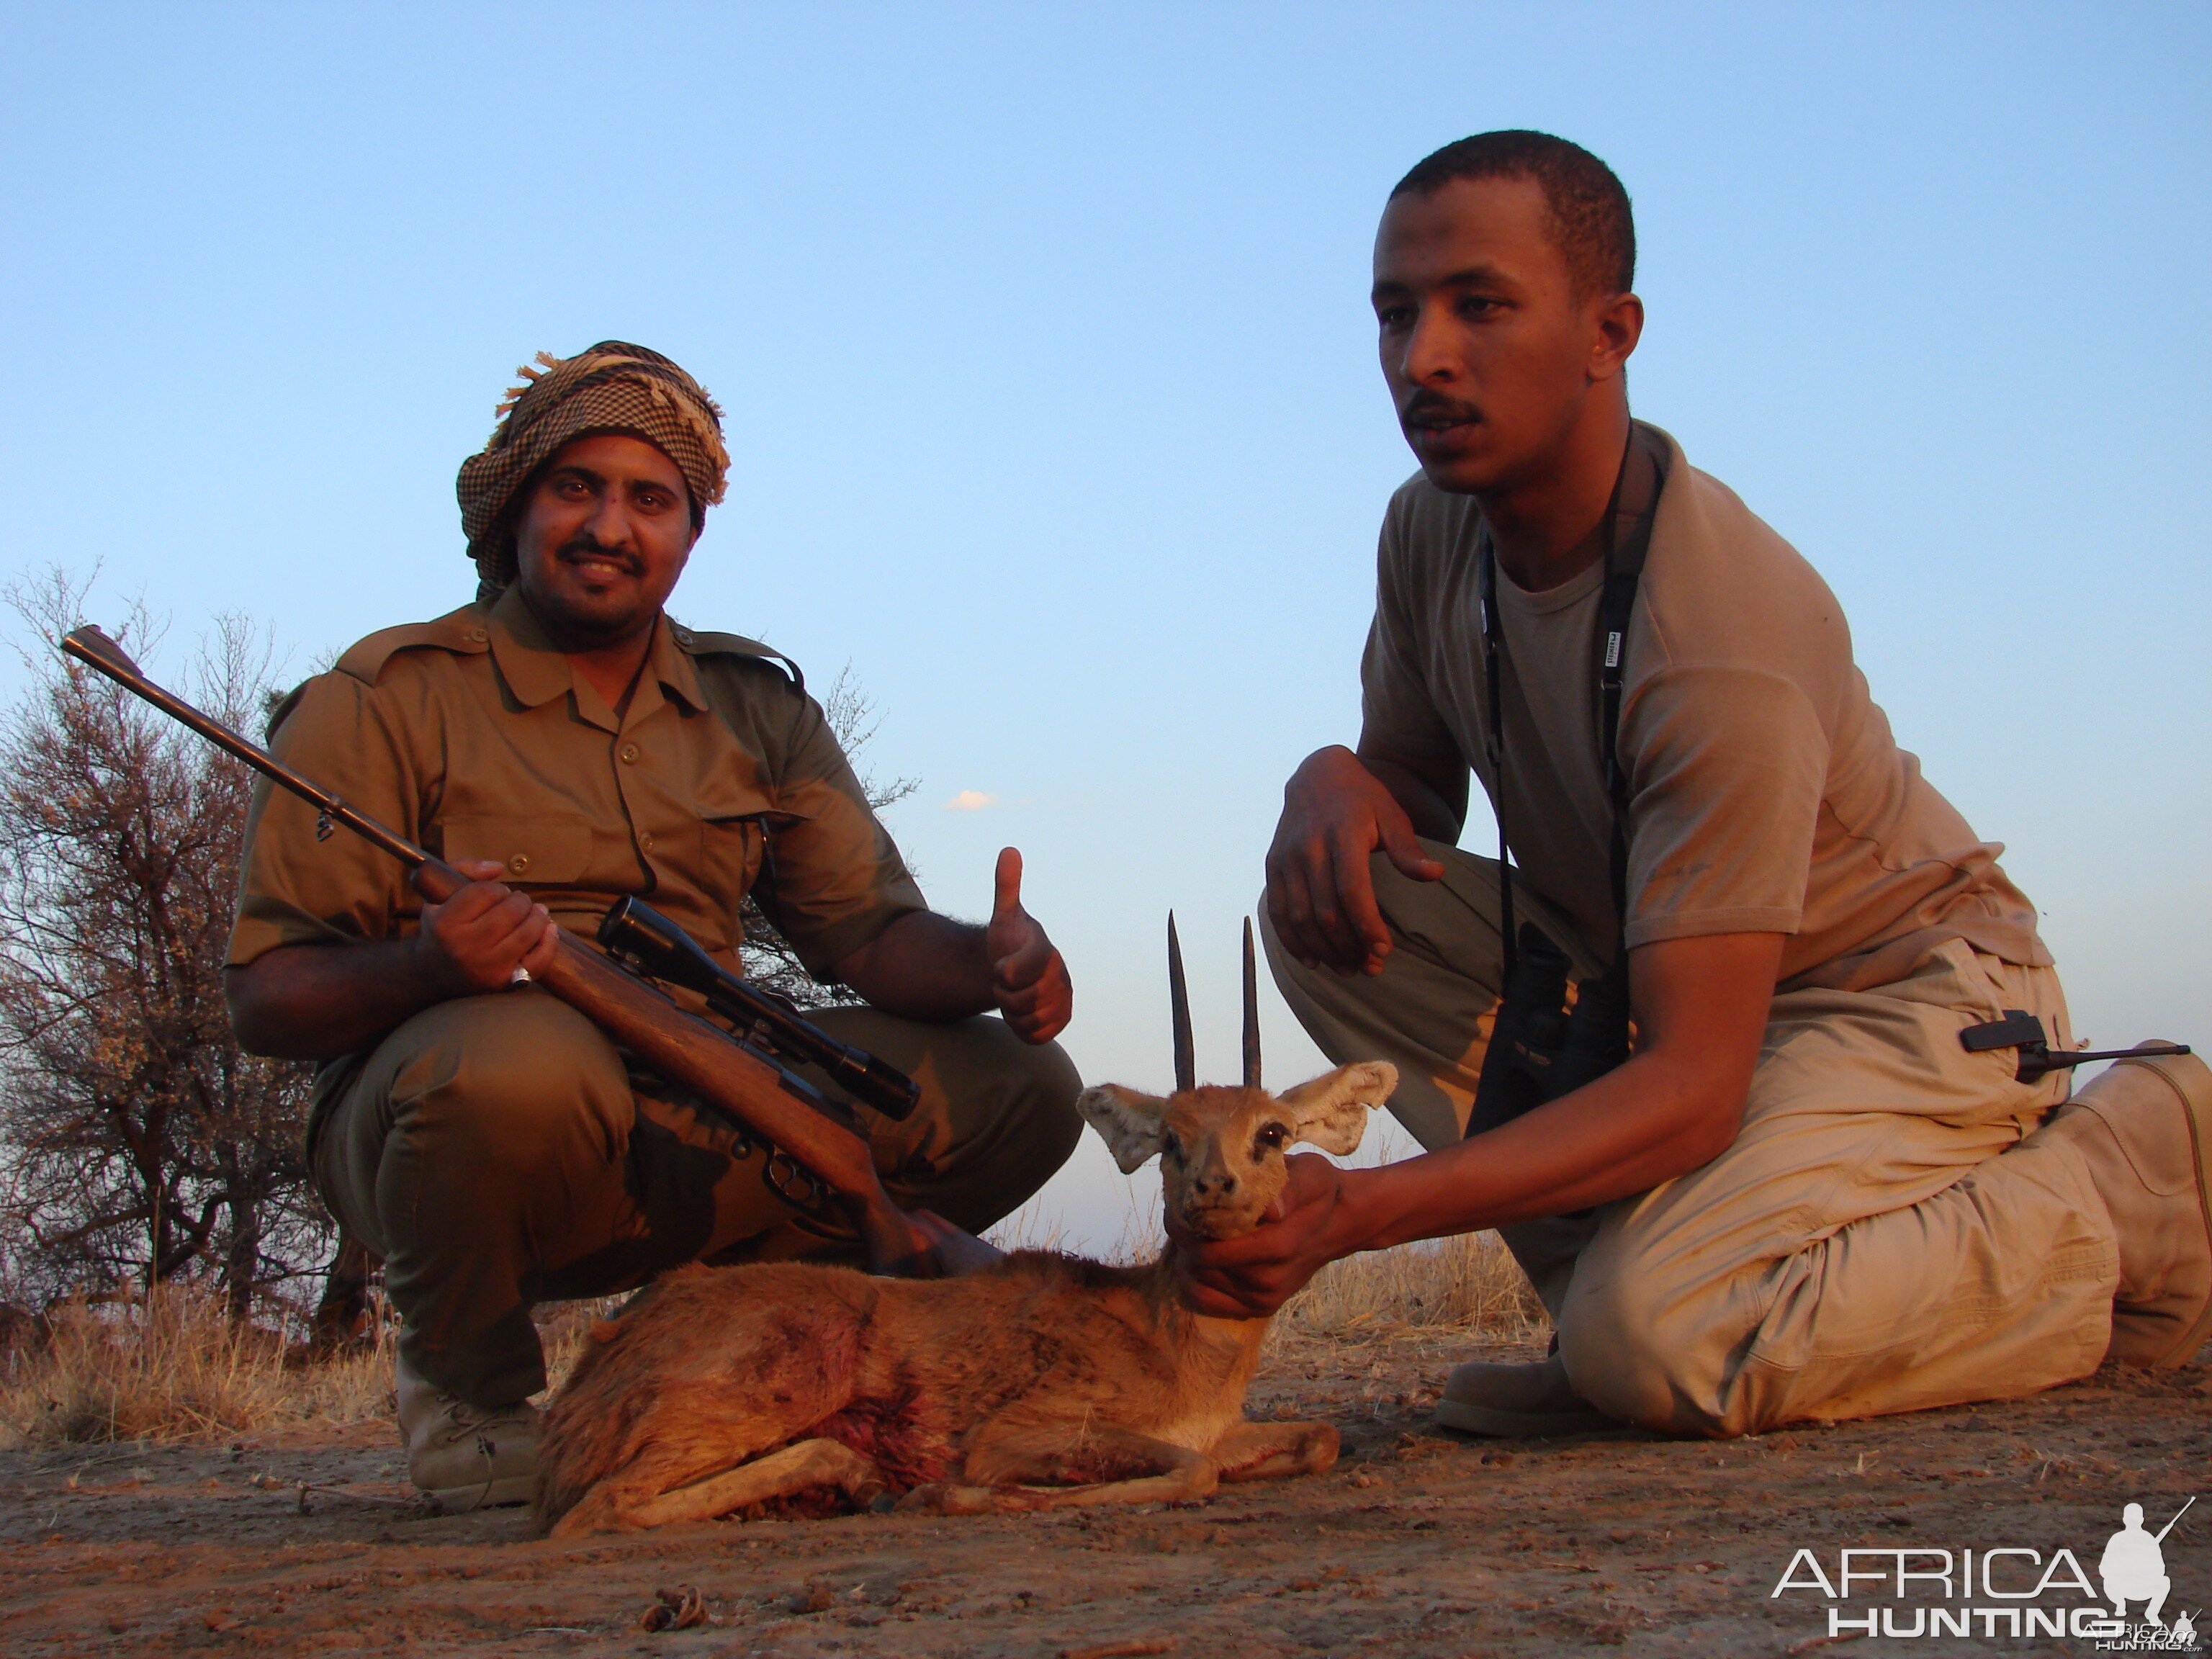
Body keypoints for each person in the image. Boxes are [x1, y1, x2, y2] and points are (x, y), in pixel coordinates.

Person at [1180, 132, 2211, 1438]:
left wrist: (1363, 1215)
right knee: (1337, 906)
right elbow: (1413, 801)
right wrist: (1327, 778)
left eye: (1479, 306)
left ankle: (2121, 1188)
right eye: (1396, 313)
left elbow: (1696, 1079)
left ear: (1612, 331)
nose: (1422, 358)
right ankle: (1623, 1289)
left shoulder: (1717, 627)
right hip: (1669, 984)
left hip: (1897, 995)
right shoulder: (1430, 522)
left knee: (1663, 1337)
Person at [225, 343, 1083, 1504]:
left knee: (1019, 1089)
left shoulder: (752, 704)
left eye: (649, 499)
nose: (607, 527)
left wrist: (994, 962)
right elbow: (268, 997)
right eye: (574, 487)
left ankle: (739, 1348)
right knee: (513, 1064)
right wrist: (432, 964)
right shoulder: (380, 697)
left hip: (711, 1085)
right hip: (470, 1115)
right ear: (517, 509)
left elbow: (868, 939)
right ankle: (467, 1390)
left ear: (690, 530)